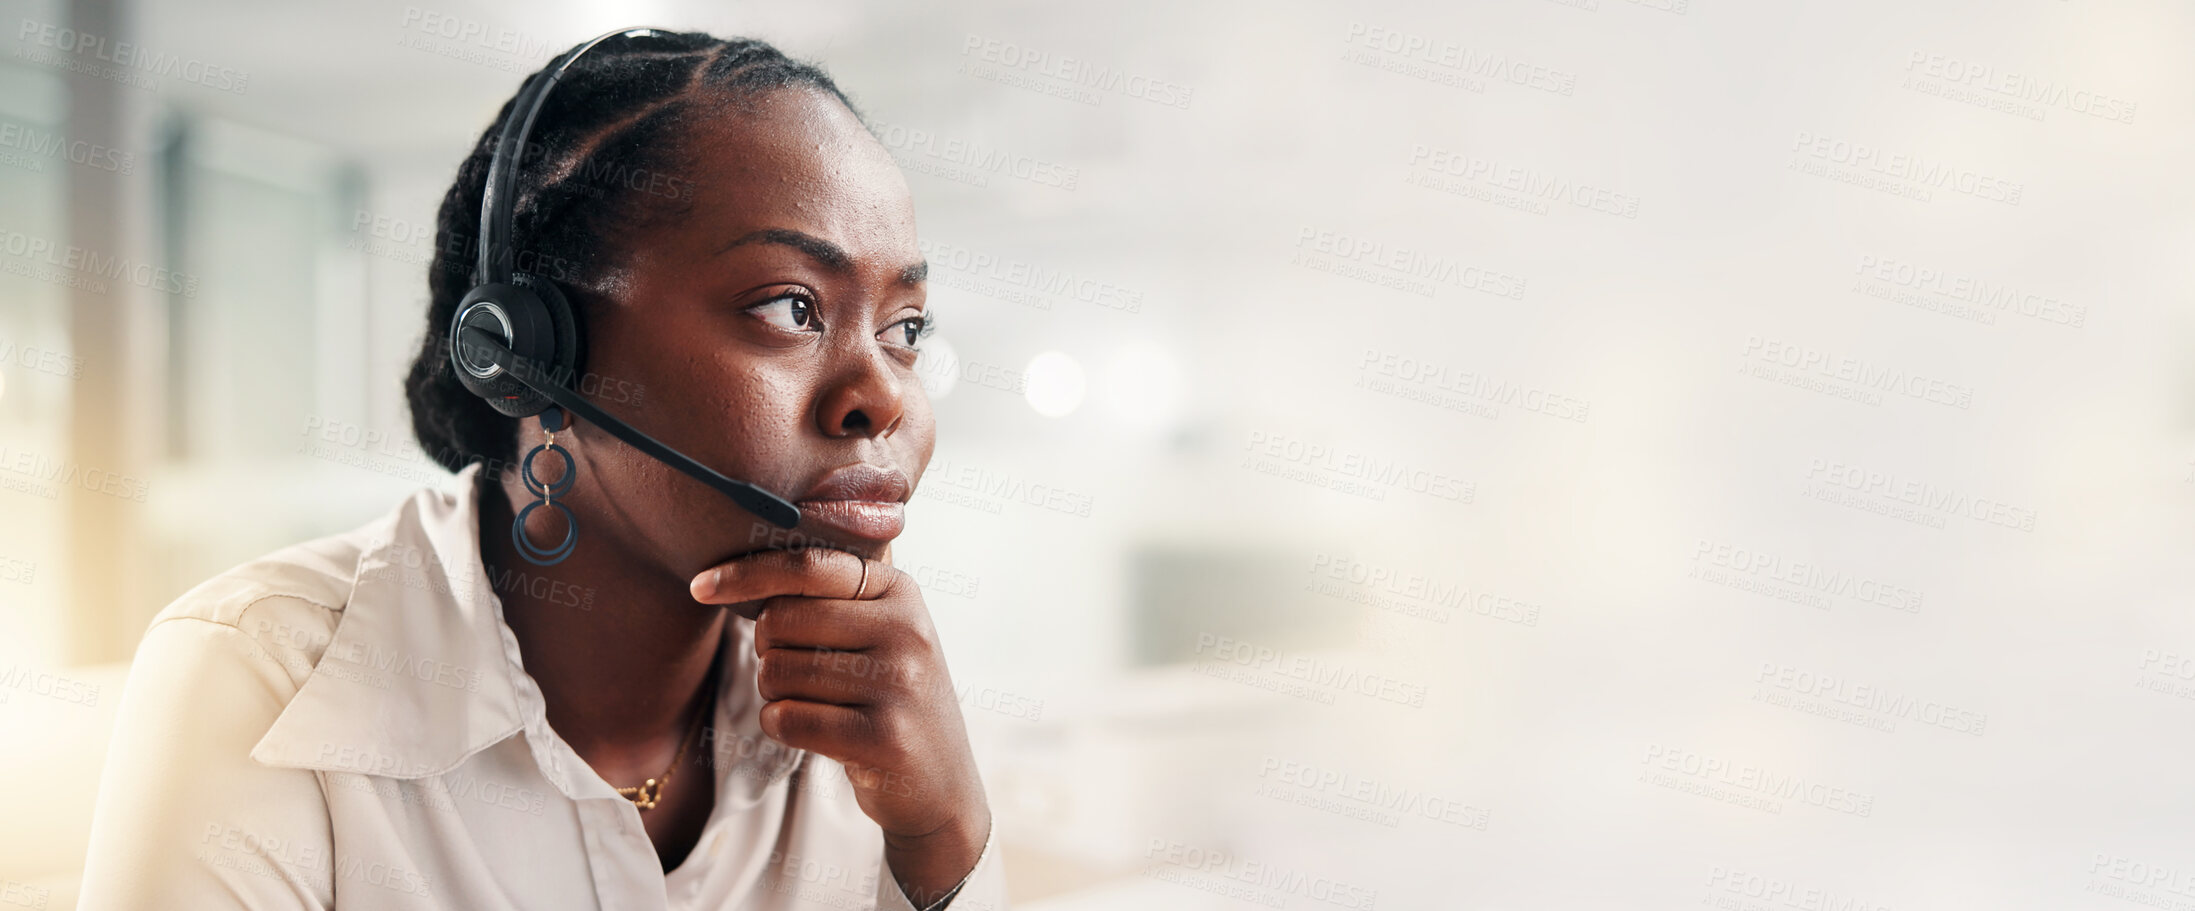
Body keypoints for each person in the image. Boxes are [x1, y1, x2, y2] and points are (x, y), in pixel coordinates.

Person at [76, 29, 1004, 910]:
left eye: (906, 328)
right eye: (789, 306)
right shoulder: (264, 675)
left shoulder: (880, 711)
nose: (881, 397)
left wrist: (944, 839)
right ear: (533, 355)